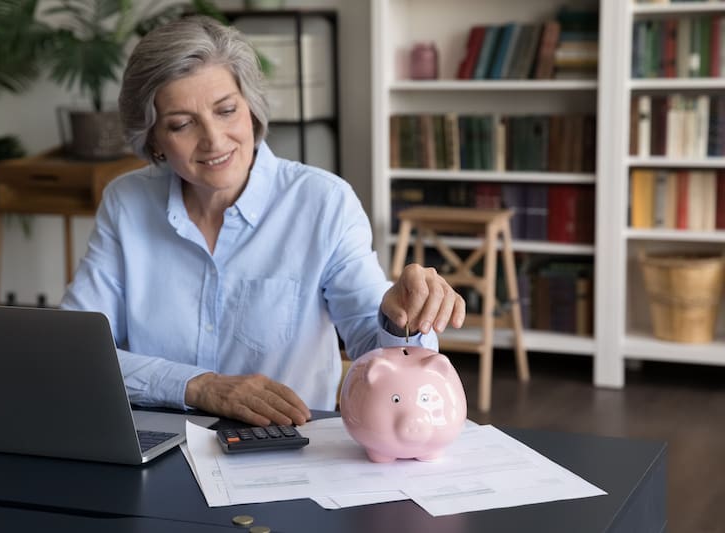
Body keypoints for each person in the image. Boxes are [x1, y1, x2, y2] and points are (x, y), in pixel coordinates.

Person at [61, 16, 465, 428]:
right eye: (182, 124)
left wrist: (403, 320)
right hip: (156, 443)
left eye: (226, 110)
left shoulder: (323, 202)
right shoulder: (126, 202)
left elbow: (377, 351)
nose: (214, 140)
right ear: (153, 140)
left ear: (252, 109)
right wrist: (198, 386)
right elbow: (71, 349)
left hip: (286, 449)